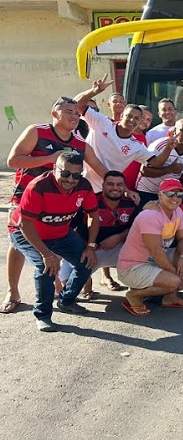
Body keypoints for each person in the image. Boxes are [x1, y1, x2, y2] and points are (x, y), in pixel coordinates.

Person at [2, 96, 109, 314]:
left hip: (60, 201)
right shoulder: (37, 132)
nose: (74, 115)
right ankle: (12, 291)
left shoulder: (80, 144)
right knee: (20, 242)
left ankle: (59, 288)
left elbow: (101, 169)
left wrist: (124, 188)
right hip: (26, 196)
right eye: (68, 111)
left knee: (57, 239)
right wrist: (51, 158)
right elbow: (13, 161)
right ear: (55, 114)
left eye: (76, 113)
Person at [8, 153, 99, 332]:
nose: (71, 179)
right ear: (54, 169)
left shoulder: (84, 186)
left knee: (86, 262)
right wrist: (47, 254)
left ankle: (67, 300)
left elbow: (93, 216)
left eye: (76, 175)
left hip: (60, 232)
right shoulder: (39, 186)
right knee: (46, 269)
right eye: (65, 173)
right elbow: (24, 223)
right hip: (25, 232)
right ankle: (42, 315)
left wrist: (90, 246)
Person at [74, 77, 175, 193]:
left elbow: (156, 162)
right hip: (82, 185)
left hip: (107, 192)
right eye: (129, 116)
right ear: (122, 116)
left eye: (137, 118)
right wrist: (94, 91)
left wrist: (168, 147)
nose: (132, 120)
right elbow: (77, 105)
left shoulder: (137, 146)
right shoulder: (102, 123)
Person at [116, 178, 183, 315]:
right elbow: (156, 251)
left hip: (154, 261)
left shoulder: (177, 211)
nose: (175, 198)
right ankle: (135, 295)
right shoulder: (150, 215)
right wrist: (177, 277)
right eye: (170, 194)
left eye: (179, 195)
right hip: (133, 267)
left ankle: (169, 297)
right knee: (174, 281)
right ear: (160, 195)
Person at [58, 171, 136, 298]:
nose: (115, 188)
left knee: (143, 255)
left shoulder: (131, 204)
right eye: (110, 184)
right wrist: (88, 247)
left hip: (118, 249)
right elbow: (70, 229)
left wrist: (119, 237)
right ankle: (86, 287)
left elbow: (138, 228)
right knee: (67, 279)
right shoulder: (88, 202)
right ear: (103, 185)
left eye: (119, 184)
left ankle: (139, 290)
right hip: (88, 249)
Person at [137, 119, 183, 204]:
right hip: (146, 192)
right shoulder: (160, 144)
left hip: (169, 195)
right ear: (174, 131)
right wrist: (169, 169)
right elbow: (144, 171)